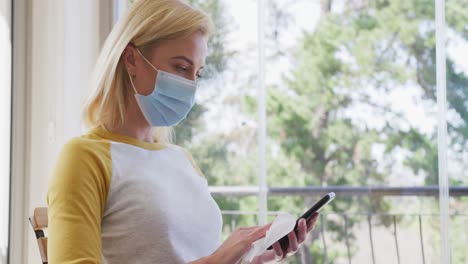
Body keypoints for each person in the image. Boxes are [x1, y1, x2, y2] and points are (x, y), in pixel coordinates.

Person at [47, 0, 319, 263]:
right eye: (180, 67)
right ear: (131, 59)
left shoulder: (181, 160)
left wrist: (258, 256)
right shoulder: (84, 157)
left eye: (197, 74)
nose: (190, 85)